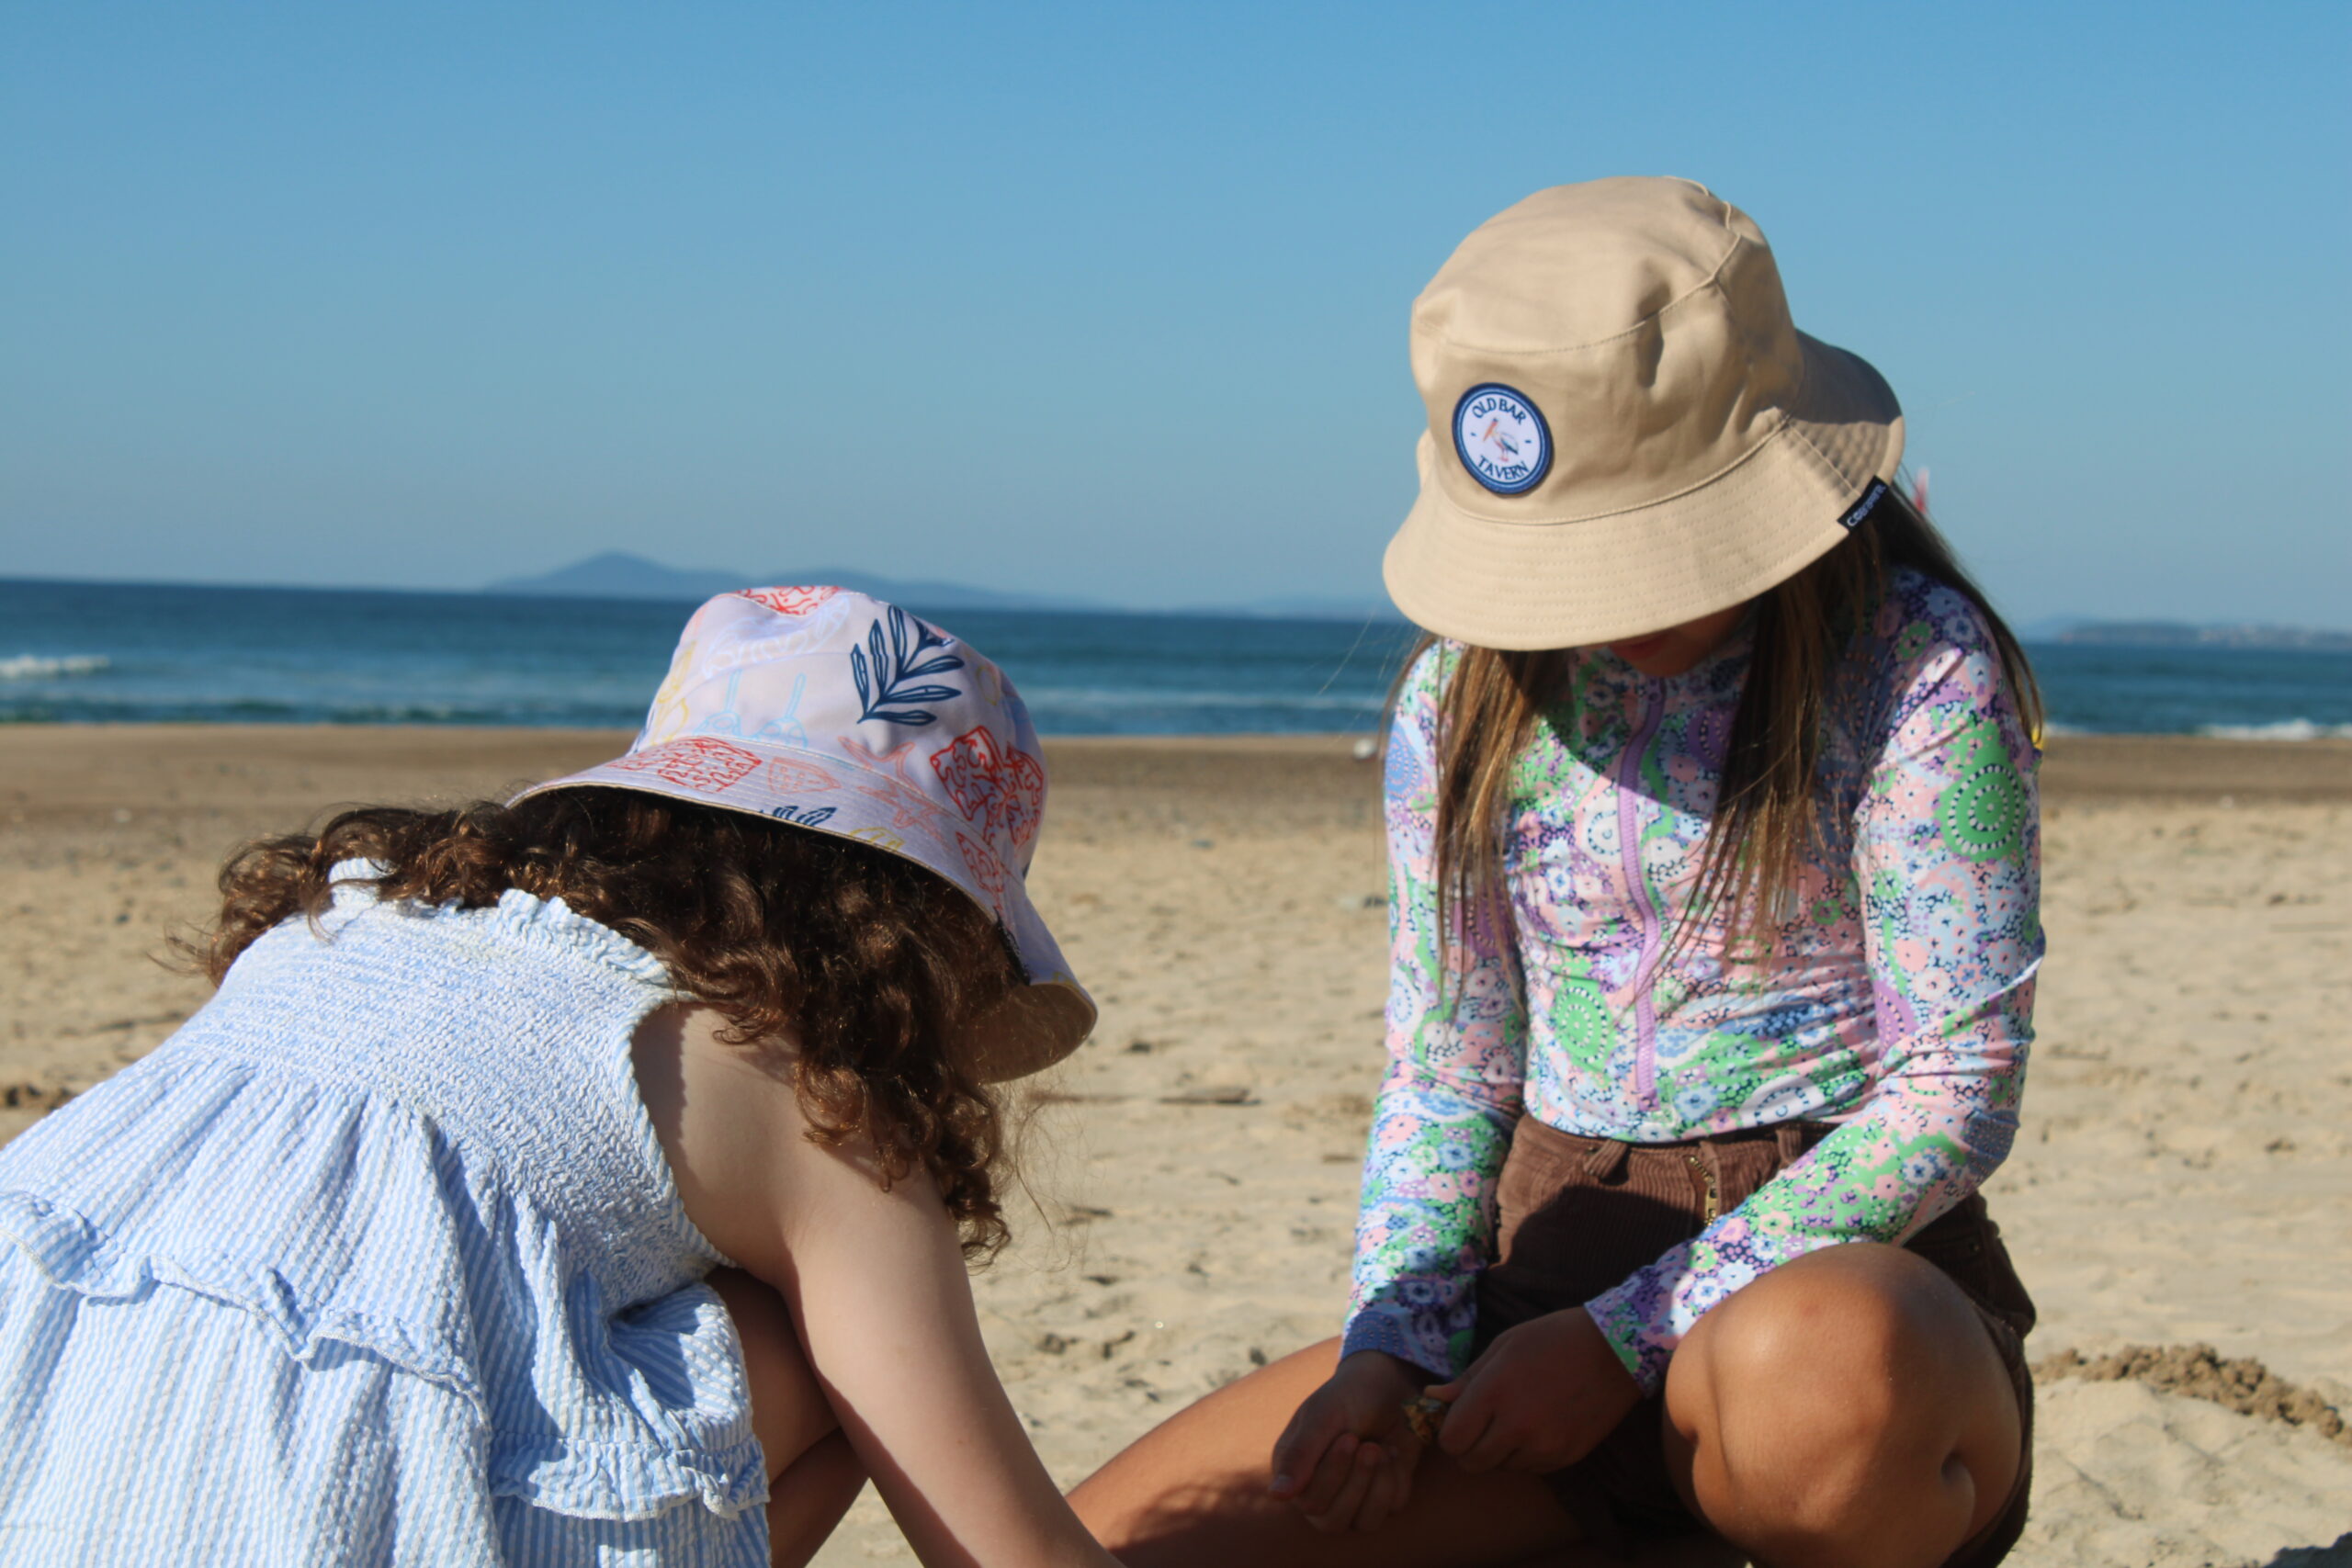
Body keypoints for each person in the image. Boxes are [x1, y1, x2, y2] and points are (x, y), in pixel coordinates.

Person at [1072, 177, 2044, 1568]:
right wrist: (1391, 1348)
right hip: (1536, 1314)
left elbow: (1954, 1090)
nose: (1608, 608)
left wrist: (1627, 1338)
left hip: (1843, 1313)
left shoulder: (1912, 663)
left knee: (1801, 1385)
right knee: (1098, 1543)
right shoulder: (1462, 699)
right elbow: (1448, 1068)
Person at [0, 587, 1119, 1568]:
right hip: (333, 1522)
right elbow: (1008, 1550)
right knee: (843, 1365)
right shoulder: (806, 1102)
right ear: (921, 941)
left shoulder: (338, 918)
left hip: (41, 1435)